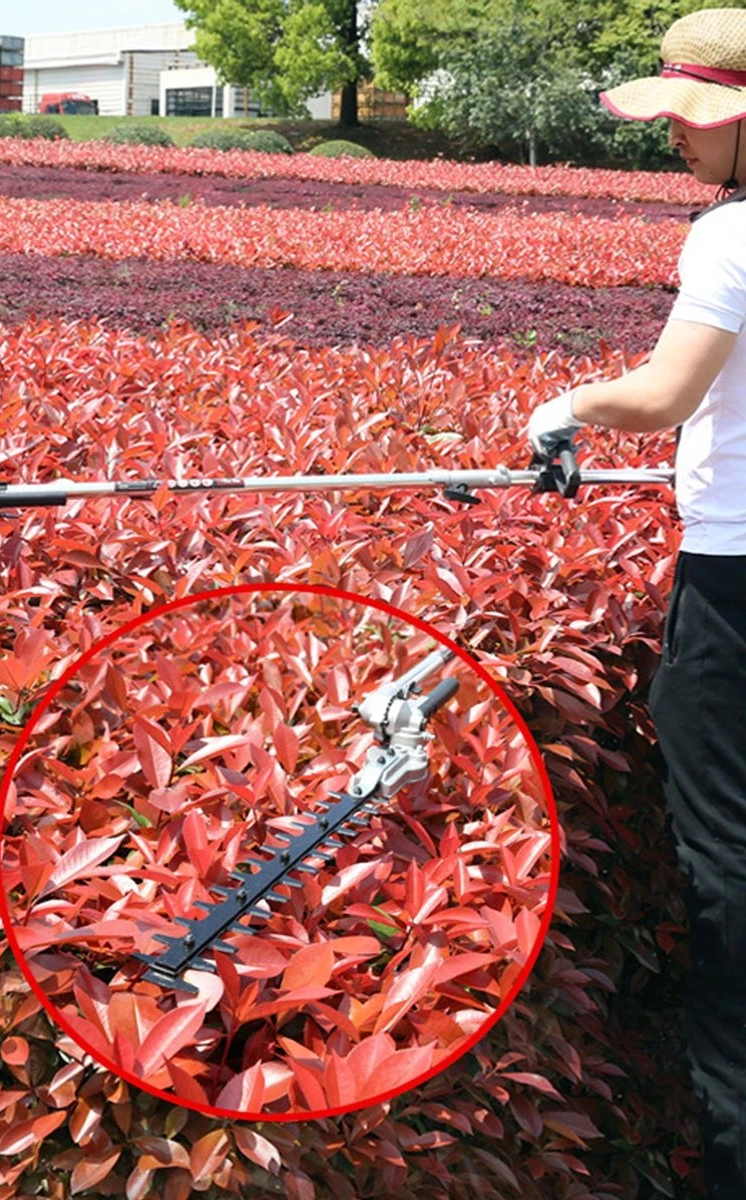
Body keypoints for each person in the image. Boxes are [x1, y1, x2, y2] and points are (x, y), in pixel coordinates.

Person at [526, 8, 746, 1197]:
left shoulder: (732, 238)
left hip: (737, 589)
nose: (677, 145)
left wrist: (566, 409)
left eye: (693, 122)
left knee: (727, 877)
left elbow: (665, 395)